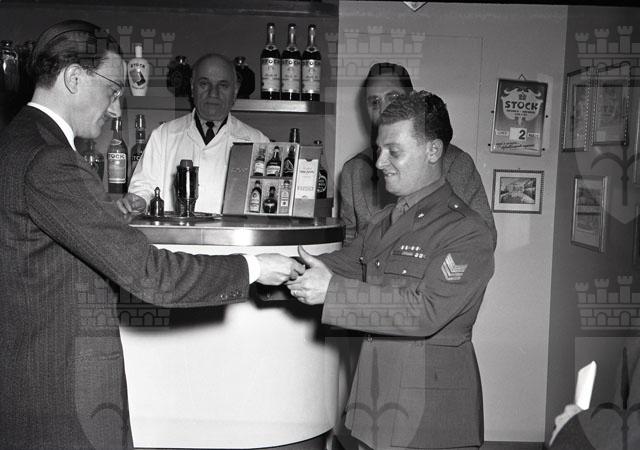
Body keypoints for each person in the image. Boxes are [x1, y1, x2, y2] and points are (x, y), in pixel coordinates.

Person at [0, 20, 303, 449]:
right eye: (112, 90)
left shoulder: (17, 141)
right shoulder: (51, 161)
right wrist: (254, 267)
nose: (115, 110)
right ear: (74, 78)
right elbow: (150, 274)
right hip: (60, 394)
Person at [287, 91, 495, 450]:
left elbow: (425, 311)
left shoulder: (467, 231)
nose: (380, 162)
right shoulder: (387, 219)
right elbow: (349, 264)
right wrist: (277, 268)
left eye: (394, 151)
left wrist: (331, 291)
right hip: (374, 406)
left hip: (429, 417)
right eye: (379, 149)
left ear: (433, 151)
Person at [339, 62, 496, 246]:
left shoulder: (455, 163)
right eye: (375, 102)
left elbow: (484, 238)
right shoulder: (355, 170)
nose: (383, 110)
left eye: (393, 97)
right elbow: (347, 241)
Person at [123, 53, 269, 214]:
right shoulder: (163, 136)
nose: (213, 93)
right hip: (174, 231)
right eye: (204, 84)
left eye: (223, 85)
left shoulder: (258, 142)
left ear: (235, 91)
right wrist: (138, 202)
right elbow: (142, 189)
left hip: (233, 231)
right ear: (192, 88)